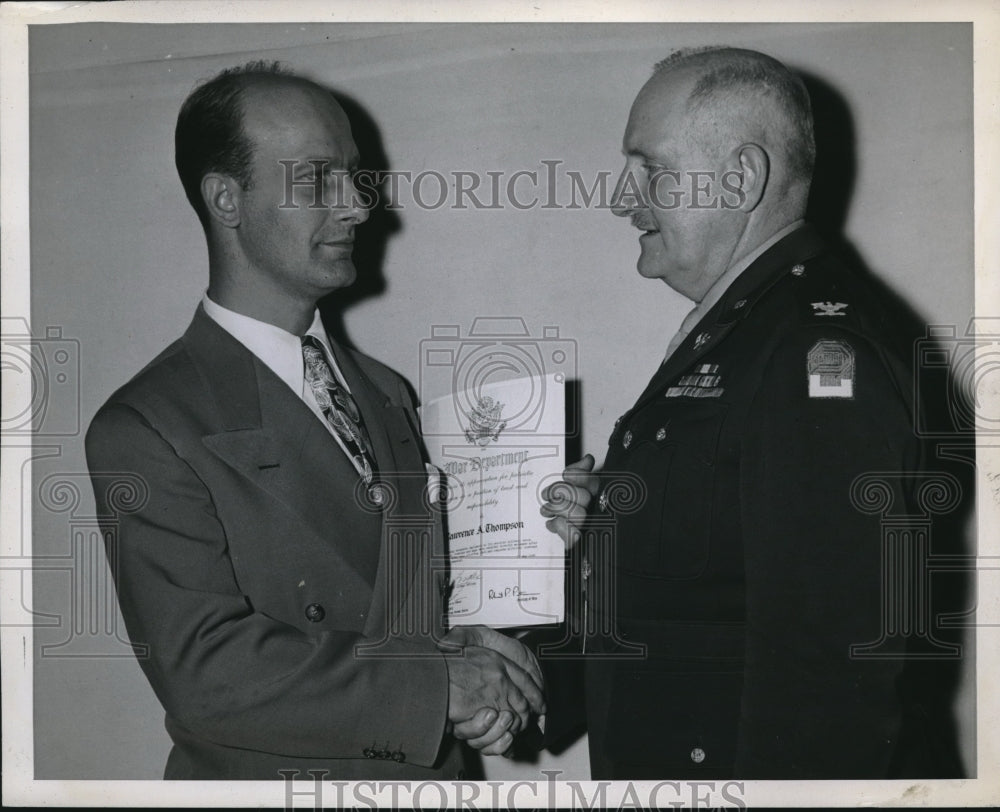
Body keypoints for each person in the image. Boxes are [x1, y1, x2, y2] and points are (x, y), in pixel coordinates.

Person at [85, 61, 542, 780]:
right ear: (226, 198)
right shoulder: (147, 424)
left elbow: (407, 615)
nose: (358, 206)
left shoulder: (387, 392)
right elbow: (207, 673)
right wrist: (437, 687)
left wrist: (531, 557)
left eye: (355, 177)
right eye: (318, 179)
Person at [539, 46, 962, 779]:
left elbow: (829, 681)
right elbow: (714, 590)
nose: (620, 196)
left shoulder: (813, 349)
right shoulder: (749, 330)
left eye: (652, 168)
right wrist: (600, 544)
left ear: (739, 177)